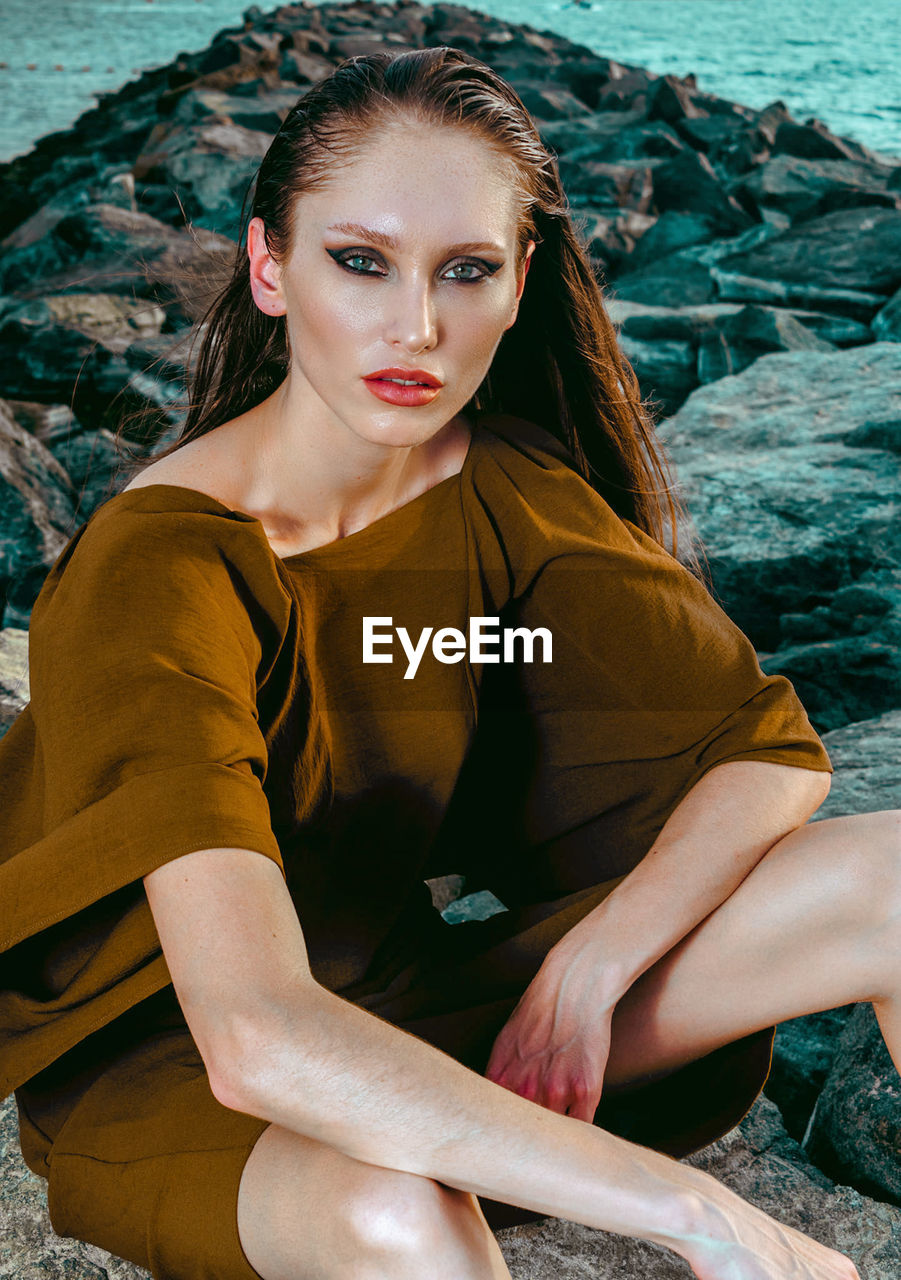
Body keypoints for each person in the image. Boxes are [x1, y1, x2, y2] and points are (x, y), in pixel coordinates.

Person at [0, 43, 896, 1280]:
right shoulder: (161, 567)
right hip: (187, 1070)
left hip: (415, 1004)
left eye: (464, 270)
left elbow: (764, 753)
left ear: (521, 282)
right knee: (401, 1217)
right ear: (268, 265)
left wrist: (591, 964)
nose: (415, 325)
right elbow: (254, 1033)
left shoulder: (498, 489)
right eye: (358, 261)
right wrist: (690, 1208)